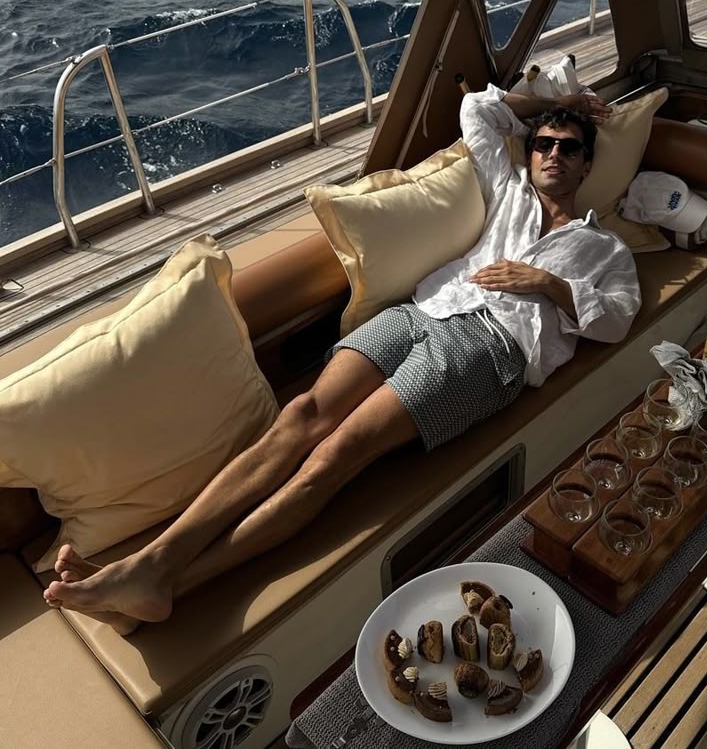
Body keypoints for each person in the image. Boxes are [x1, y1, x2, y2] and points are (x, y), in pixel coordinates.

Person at [43, 84, 641, 634]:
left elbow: (617, 318)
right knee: (300, 413)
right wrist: (551, 95)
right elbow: (477, 111)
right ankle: (153, 562)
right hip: (423, 310)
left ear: (588, 163)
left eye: (569, 148)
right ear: (529, 150)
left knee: (336, 452)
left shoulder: (601, 247)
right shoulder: (508, 188)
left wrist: (548, 283)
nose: (553, 155)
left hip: (490, 345)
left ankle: (172, 582)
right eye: (542, 144)